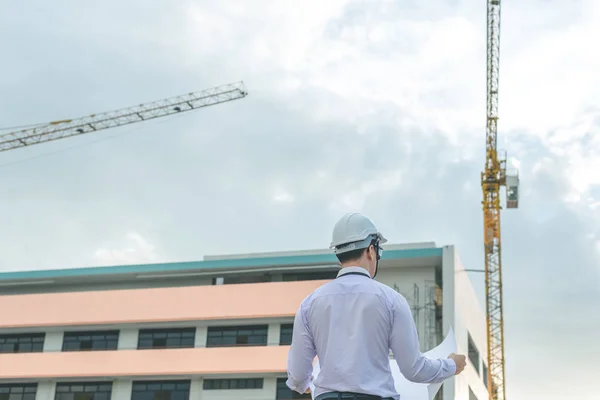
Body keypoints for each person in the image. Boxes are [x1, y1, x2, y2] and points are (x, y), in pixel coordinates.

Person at [286, 212, 466, 400]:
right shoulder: (391, 300)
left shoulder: (310, 303)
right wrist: (451, 365)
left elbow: (298, 375)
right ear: (371, 250)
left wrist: (304, 384)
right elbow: (414, 369)